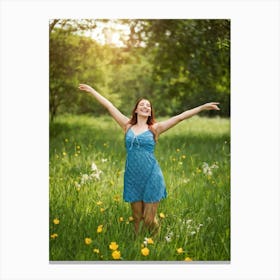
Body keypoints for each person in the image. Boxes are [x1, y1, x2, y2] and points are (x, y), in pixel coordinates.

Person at [78, 84, 220, 235]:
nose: (145, 107)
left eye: (148, 106)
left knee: (149, 220)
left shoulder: (155, 129)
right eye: (142, 105)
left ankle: (157, 239)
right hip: (133, 176)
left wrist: (202, 107)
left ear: (150, 111)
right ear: (136, 110)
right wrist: (92, 91)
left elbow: (180, 117)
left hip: (152, 175)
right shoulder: (127, 126)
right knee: (136, 218)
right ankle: (137, 246)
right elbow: (109, 106)